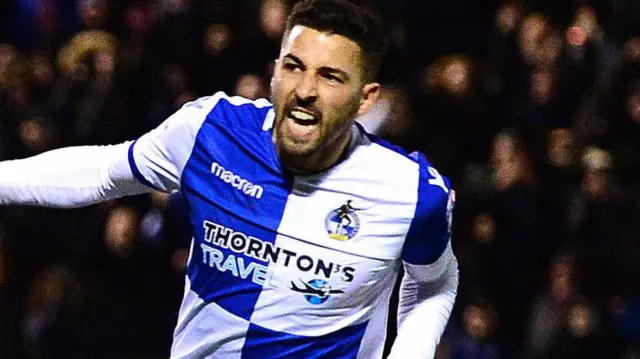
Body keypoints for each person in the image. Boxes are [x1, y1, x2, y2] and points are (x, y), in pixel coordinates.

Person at [0, 0, 458, 358]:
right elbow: (104, 171)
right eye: (293, 66)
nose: (305, 90)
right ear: (274, 70)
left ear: (365, 98)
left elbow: (435, 283)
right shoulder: (211, 132)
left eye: (330, 76)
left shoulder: (410, 192)